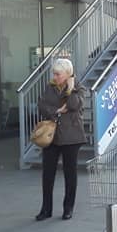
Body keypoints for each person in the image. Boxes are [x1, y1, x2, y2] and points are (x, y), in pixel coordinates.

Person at [36, 58, 86, 220]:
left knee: (69, 173)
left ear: (68, 74)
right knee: (47, 173)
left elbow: (73, 106)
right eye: (54, 73)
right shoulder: (50, 87)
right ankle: (46, 209)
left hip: (72, 137)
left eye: (58, 74)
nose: (55, 77)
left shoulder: (78, 87)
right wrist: (57, 111)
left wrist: (70, 89)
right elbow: (42, 105)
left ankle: (68, 208)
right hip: (52, 135)